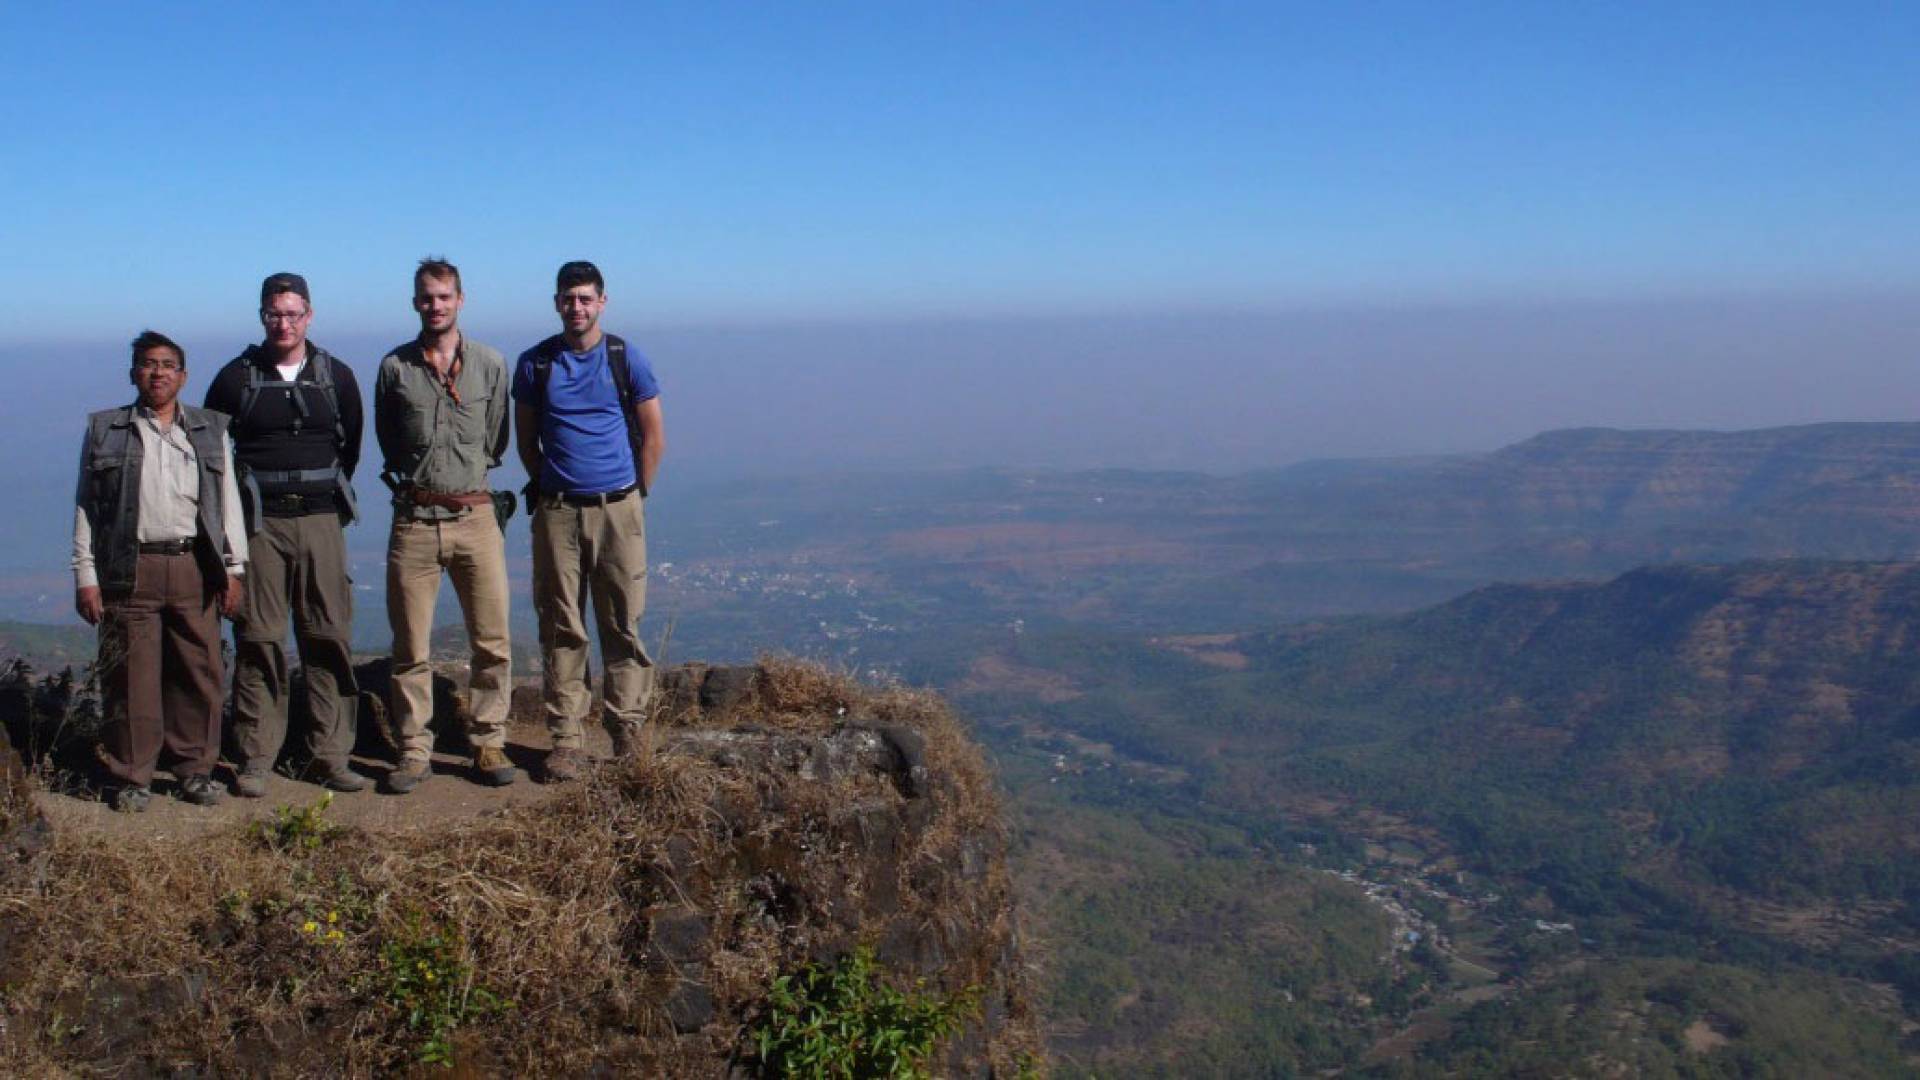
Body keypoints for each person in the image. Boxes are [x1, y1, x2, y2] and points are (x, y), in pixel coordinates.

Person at [204, 273, 368, 795]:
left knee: (328, 636)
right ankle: (255, 757)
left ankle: (331, 754)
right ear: (262, 316)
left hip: (321, 519)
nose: (284, 323)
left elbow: (352, 447)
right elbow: (212, 453)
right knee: (259, 639)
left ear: (310, 315)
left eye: (293, 313)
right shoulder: (235, 378)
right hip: (259, 525)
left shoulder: (336, 376)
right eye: (275, 313)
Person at [73, 331, 248, 811]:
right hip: (130, 567)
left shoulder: (211, 429)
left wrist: (233, 568)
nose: (158, 372)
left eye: (168, 364)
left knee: (200, 670)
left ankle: (194, 770)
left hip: (194, 563)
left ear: (183, 376)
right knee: (132, 676)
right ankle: (134, 777)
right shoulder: (105, 429)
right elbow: (87, 507)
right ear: (134, 372)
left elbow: (227, 501)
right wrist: (85, 574)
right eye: (148, 364)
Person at [512, 260, 665, 782]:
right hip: (558, 510)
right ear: (556, 302)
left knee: (622, 622)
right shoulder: (536, 364)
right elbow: (526, 441)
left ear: (602, 301)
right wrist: (554, 485)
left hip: (619, 506)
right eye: (567, 298)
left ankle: (627, 731)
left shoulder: (626, 358)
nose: (576, 307)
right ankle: (568, 739)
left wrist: (633, 496)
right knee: (562, 627)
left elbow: (653, 435)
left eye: (585, 298)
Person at [373, 257, 516, 793]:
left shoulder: (490, 364)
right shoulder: (394, 368)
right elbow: (389, 442)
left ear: (460, 300)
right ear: (415, 303)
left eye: (444, 296)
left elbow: (496, 440)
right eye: (426, 297)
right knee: (410, 645)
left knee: (493, 639)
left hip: (476, 515)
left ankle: (488, 741)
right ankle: (414, 749)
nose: (435, 305)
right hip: (414, 518)